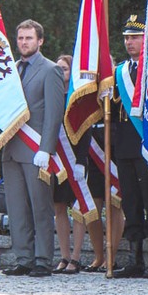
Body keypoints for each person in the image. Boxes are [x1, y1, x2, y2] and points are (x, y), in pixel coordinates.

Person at [1, 19, 65, 277]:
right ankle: (23, 258)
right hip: (11, 148)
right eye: (20, 38)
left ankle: (42, 259)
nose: (24, 42)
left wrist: (46, 149)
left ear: (40, 41)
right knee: (16, 208)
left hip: (36, 149)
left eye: (29, 38)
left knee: (40, 207)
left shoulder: (50, 70)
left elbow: (54, 113)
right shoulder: (11, 69)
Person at [112, 16, 148, 279]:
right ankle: (134, 258)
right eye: (126, 38)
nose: (129, 42)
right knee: (131, 203)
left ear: (146, 40)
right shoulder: (119, 72)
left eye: (135, 37)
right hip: (124, 147)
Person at [50, 55, 105, 275]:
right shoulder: (52, 95)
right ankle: (64, 255)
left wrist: (81, 161)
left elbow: (85, 131)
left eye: (64, 69)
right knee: (59, 207)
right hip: (57, 158)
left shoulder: (78, 97)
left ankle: (76, 257)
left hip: (76, 157)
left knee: (79, 208)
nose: (61, 72)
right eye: (58, 69)